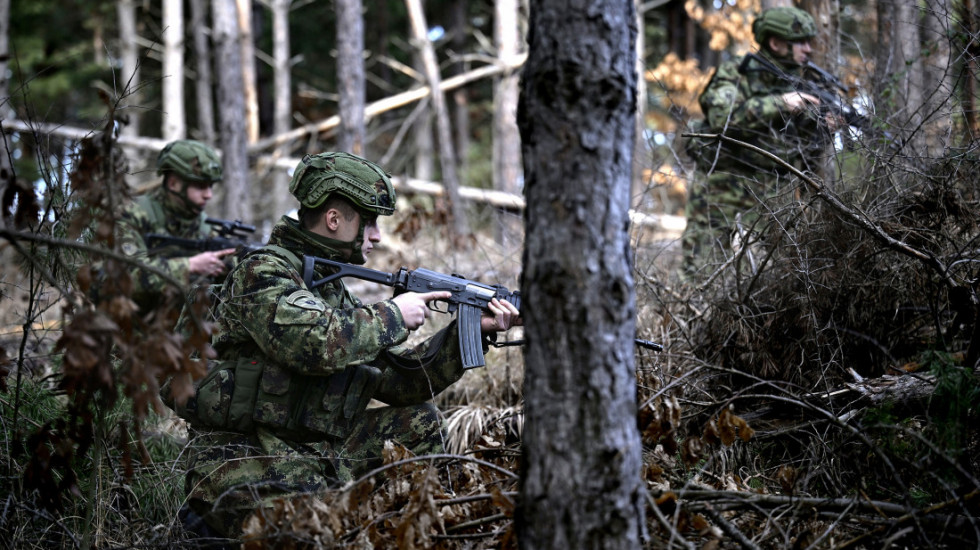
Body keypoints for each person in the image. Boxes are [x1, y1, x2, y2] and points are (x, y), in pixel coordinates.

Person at [178, 151, 520, 540]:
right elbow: (312, 342)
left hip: (316, 446)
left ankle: (413, 530)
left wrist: (467, 334)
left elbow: (397, 383)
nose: (377, 235)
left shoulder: (331, 289)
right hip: (245, 453)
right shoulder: (263, 270)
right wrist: (392, 314)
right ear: (335, 220)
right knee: (308, 531)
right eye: (370, 221)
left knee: (421, 421)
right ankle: (206, 524)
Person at [681, 6, 842, 277]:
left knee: (776, 276)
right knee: (702, 267)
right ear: (776, 43)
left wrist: (826, 129)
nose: (808, 49)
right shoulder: (737, 72)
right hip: (723, 182)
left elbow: (806, 154)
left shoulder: (807, 84)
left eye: (808, 42)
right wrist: (780, 103)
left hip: (773, 191)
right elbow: (722, 116)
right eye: (799, 42)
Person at [115, 139, 236, 317]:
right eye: (200, 186)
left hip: (187, 331)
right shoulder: (133, 215)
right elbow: (126, 278)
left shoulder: (203, 224)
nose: (208, 195)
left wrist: (230, 265)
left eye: (210, 186)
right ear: (173, 184)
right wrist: (190, 266)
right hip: (134, 330)